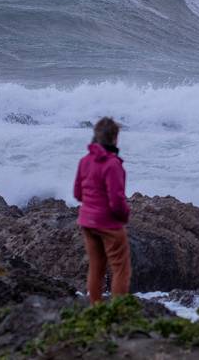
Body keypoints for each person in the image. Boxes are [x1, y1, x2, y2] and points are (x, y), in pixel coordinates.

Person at [73, 117, 132, 304]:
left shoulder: (85, 161)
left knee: (96, 268)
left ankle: (95, 308)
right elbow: (116, 200)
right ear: (115, 138)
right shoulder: (113, 164)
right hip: (108, 223)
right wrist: (125, 216)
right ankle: (117, 311)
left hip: (87, 222)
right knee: (120, 268)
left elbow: (77, 193)